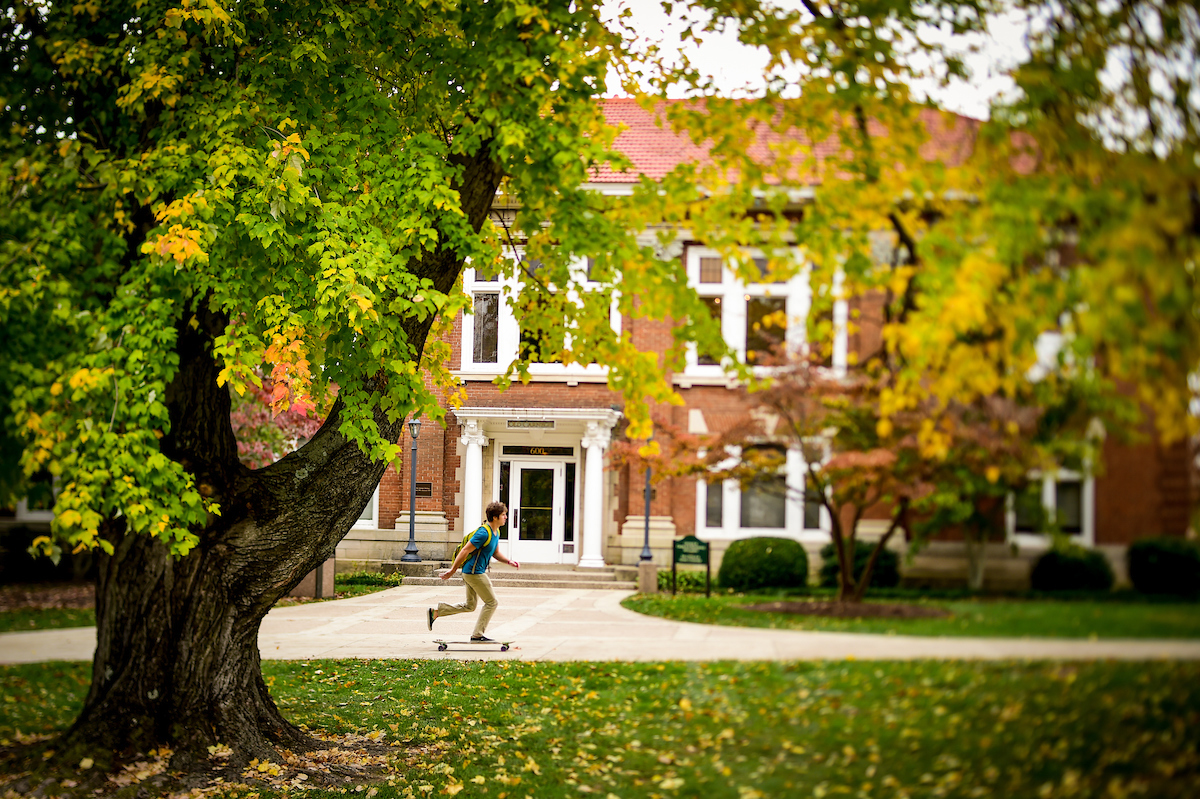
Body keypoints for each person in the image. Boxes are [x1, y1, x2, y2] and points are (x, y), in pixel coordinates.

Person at [427, 501, 519, 642]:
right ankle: (477, 635)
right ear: (495, 517)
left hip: (472, 572)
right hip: (474, 573)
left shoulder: (496, 531)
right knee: (492, 602)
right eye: (503, 514)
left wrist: (508, 561)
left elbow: (495, 552)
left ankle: (436, 612)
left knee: (470, 606)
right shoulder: (483, 533)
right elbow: (465, 551)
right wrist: (452, 570)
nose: (506, 517)